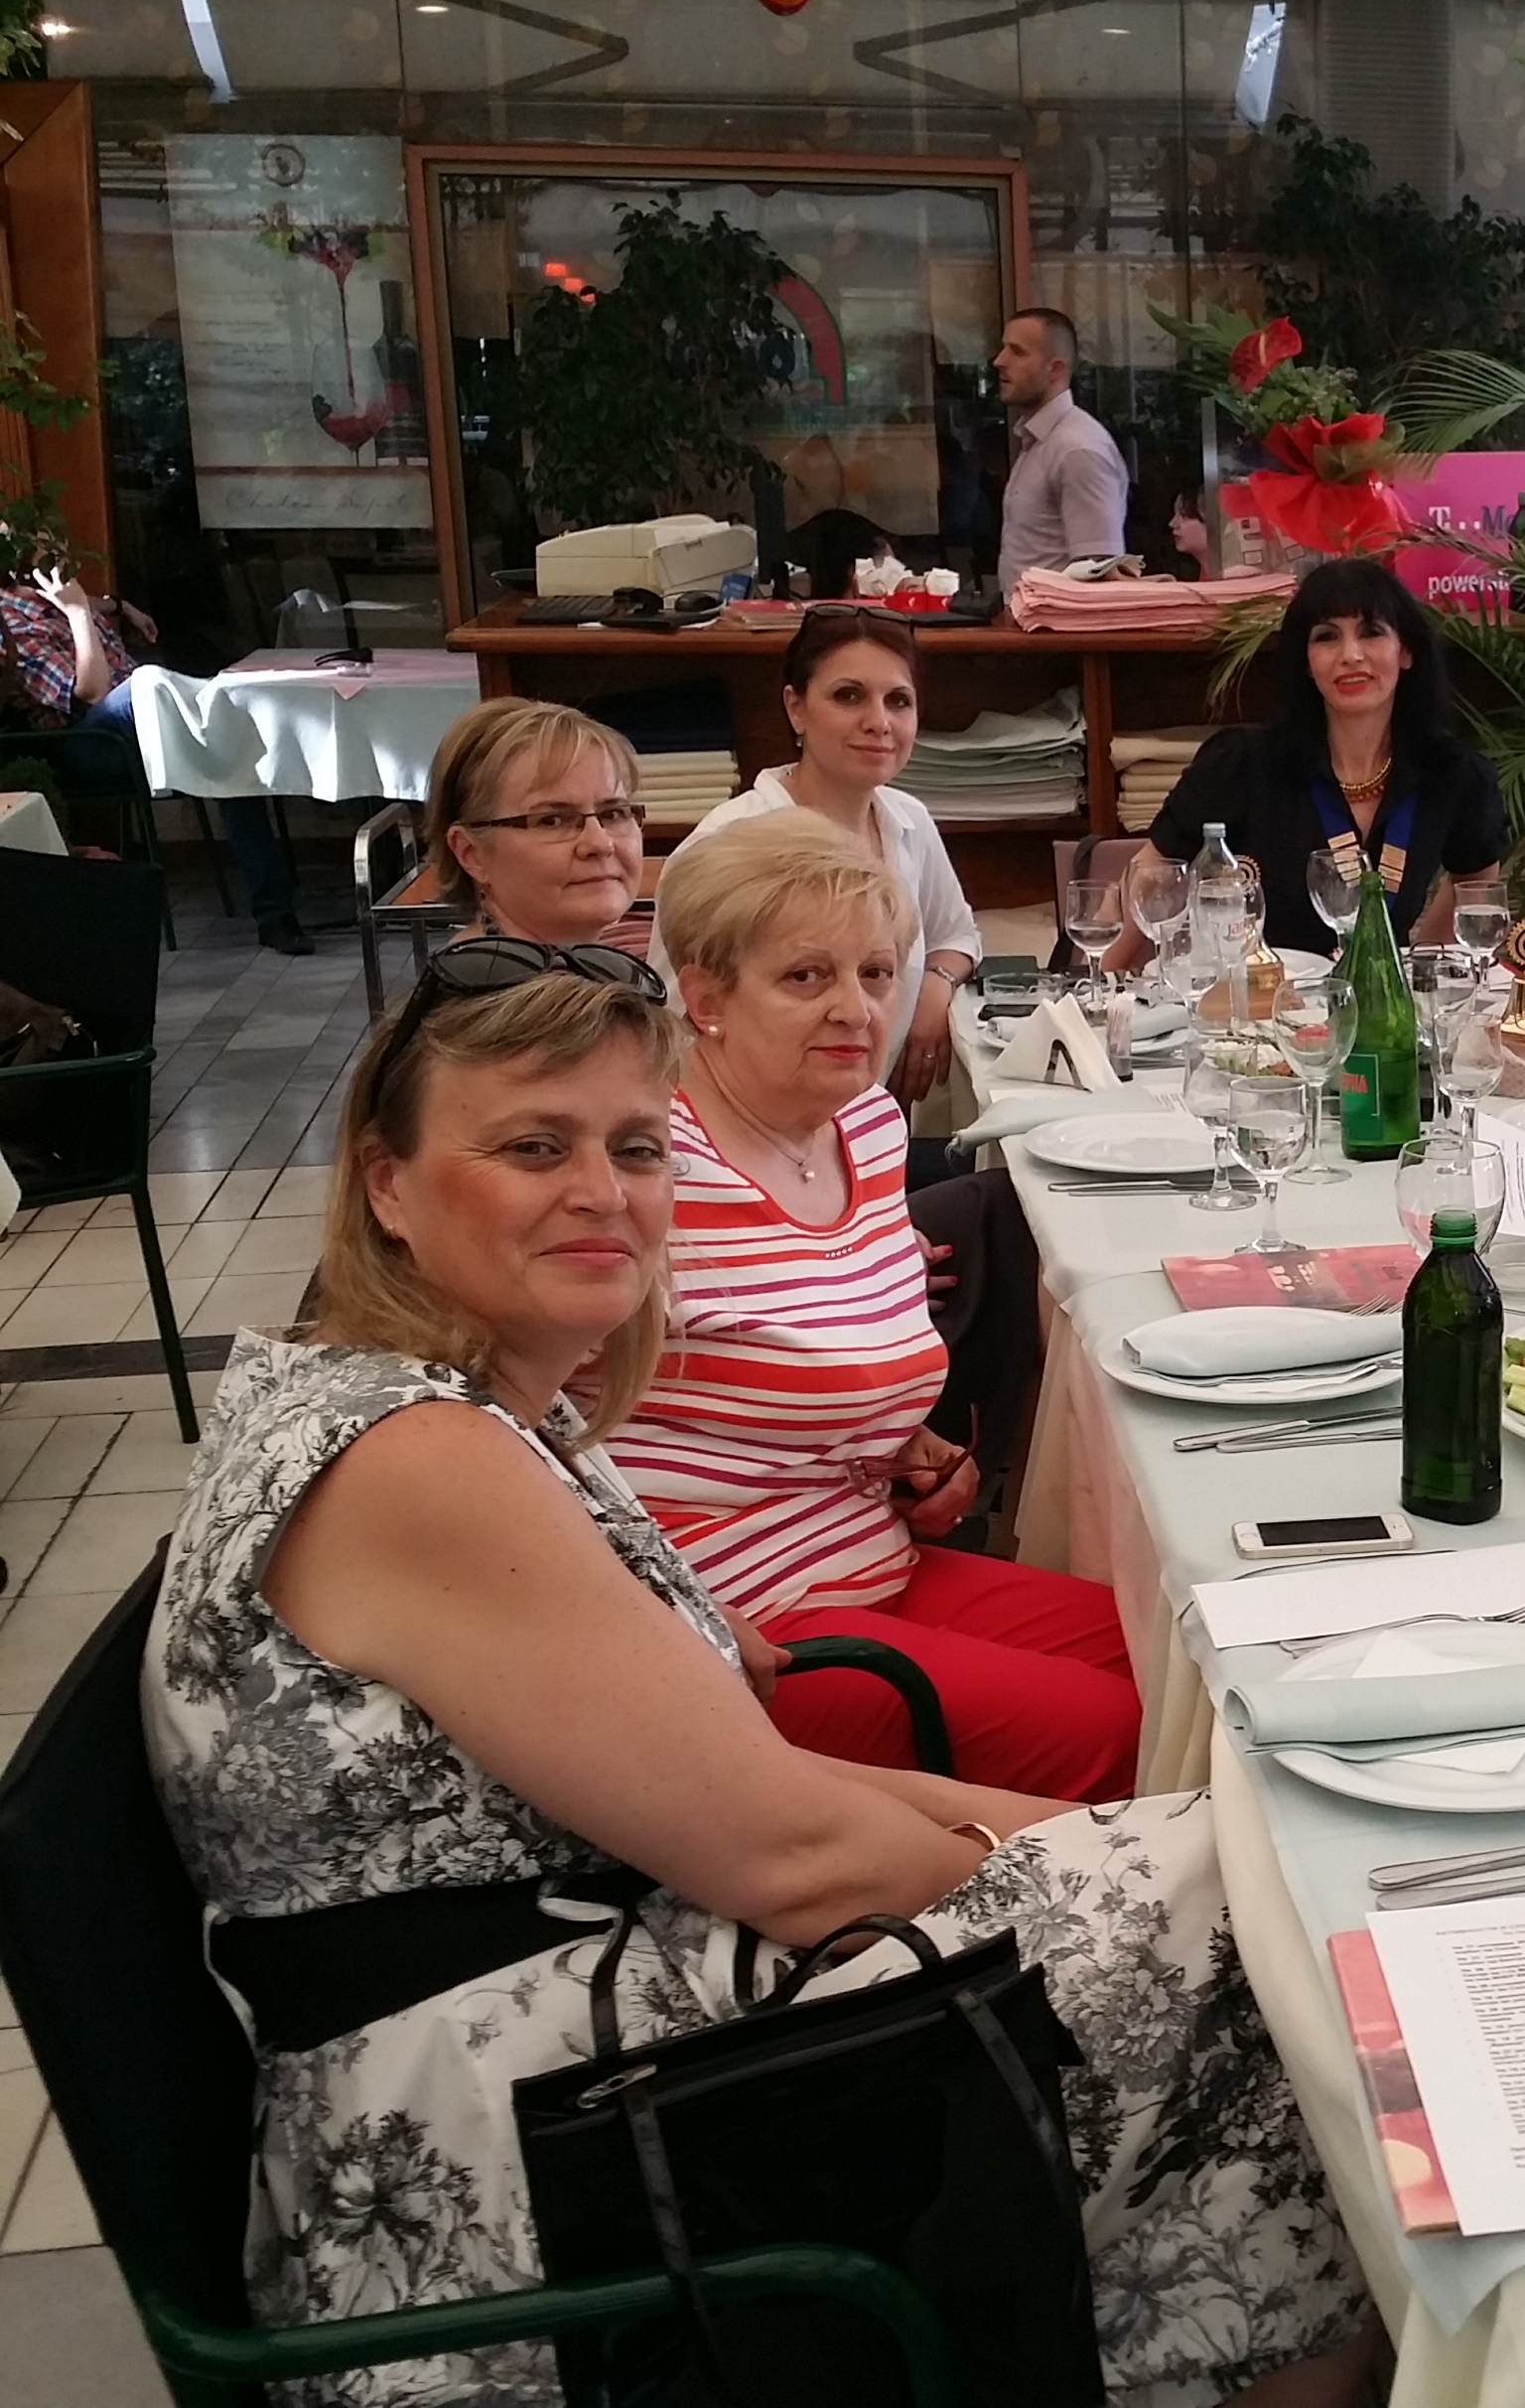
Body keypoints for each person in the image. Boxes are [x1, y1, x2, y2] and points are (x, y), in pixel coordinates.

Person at [141, 947, 1375, 2408]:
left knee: (1242, 1896)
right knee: (1283, 1965)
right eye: (533, 1147)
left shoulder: (453, 1406)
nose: (602, 1190)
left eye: (635, 1146)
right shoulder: (420, 1461)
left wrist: (1106, 1842)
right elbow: (795, 1860)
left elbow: (751, 1785)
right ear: (389, 1186)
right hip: (516, 2171)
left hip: (577, 2032)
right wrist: (1121, 1868)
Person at [605, 810, 1140, 1801]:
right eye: (806, 977)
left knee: (1185, 1668)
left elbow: (811, 1350)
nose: (856, 1009)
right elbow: (516, 1428)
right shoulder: (643, 1168)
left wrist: (904, 1447)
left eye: (877, 973)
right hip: (732, 1628)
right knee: (1121, 1736)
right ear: (708, 996)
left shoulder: (865, 1124)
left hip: (868, 1553)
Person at [657, 605, 983, 1106]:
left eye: (898, 701)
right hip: (748, 1128)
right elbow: (669, 1030)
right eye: (848, 696)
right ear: (796, 708)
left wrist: (932, 994)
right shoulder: (725, 845)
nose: (879, 722)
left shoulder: (909, 820)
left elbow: (956, 935)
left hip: (861, 1121)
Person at [1126, 556, 1507, 961]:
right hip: (1259, 995)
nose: (1350, 655)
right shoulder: (1241, 763)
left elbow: (1476, 883)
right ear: (1307, 663)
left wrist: (1421, 969)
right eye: (1327, 637)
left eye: (1371, 632)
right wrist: (1097, 985)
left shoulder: (1453, 774)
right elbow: (1149, 877)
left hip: (1379, 999)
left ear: (1406, 652)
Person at [3, 570, 313, 953]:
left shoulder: (49, 598)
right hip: (89, 746)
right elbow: (94, 692)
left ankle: (275, 915)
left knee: (227, 758)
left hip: (145, 730)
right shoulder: (12, 622)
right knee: (145, 681)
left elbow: (92, 602)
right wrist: (79, 613)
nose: (55, 558)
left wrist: (118, 606)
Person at [414, 694, 651, 949]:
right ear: (471, 853)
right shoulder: (484, 974)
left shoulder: (580, 963)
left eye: (613, 814)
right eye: (552, 820)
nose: (600, 844)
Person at [993, 304, 1130, 591]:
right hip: (1027, 615)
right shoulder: (1042, 440)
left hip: (1057, 619)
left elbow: (1100, 572)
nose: (999, 361)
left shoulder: (1077, 449)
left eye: (1017, 352)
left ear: (1055, 369)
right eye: (1003, 348)